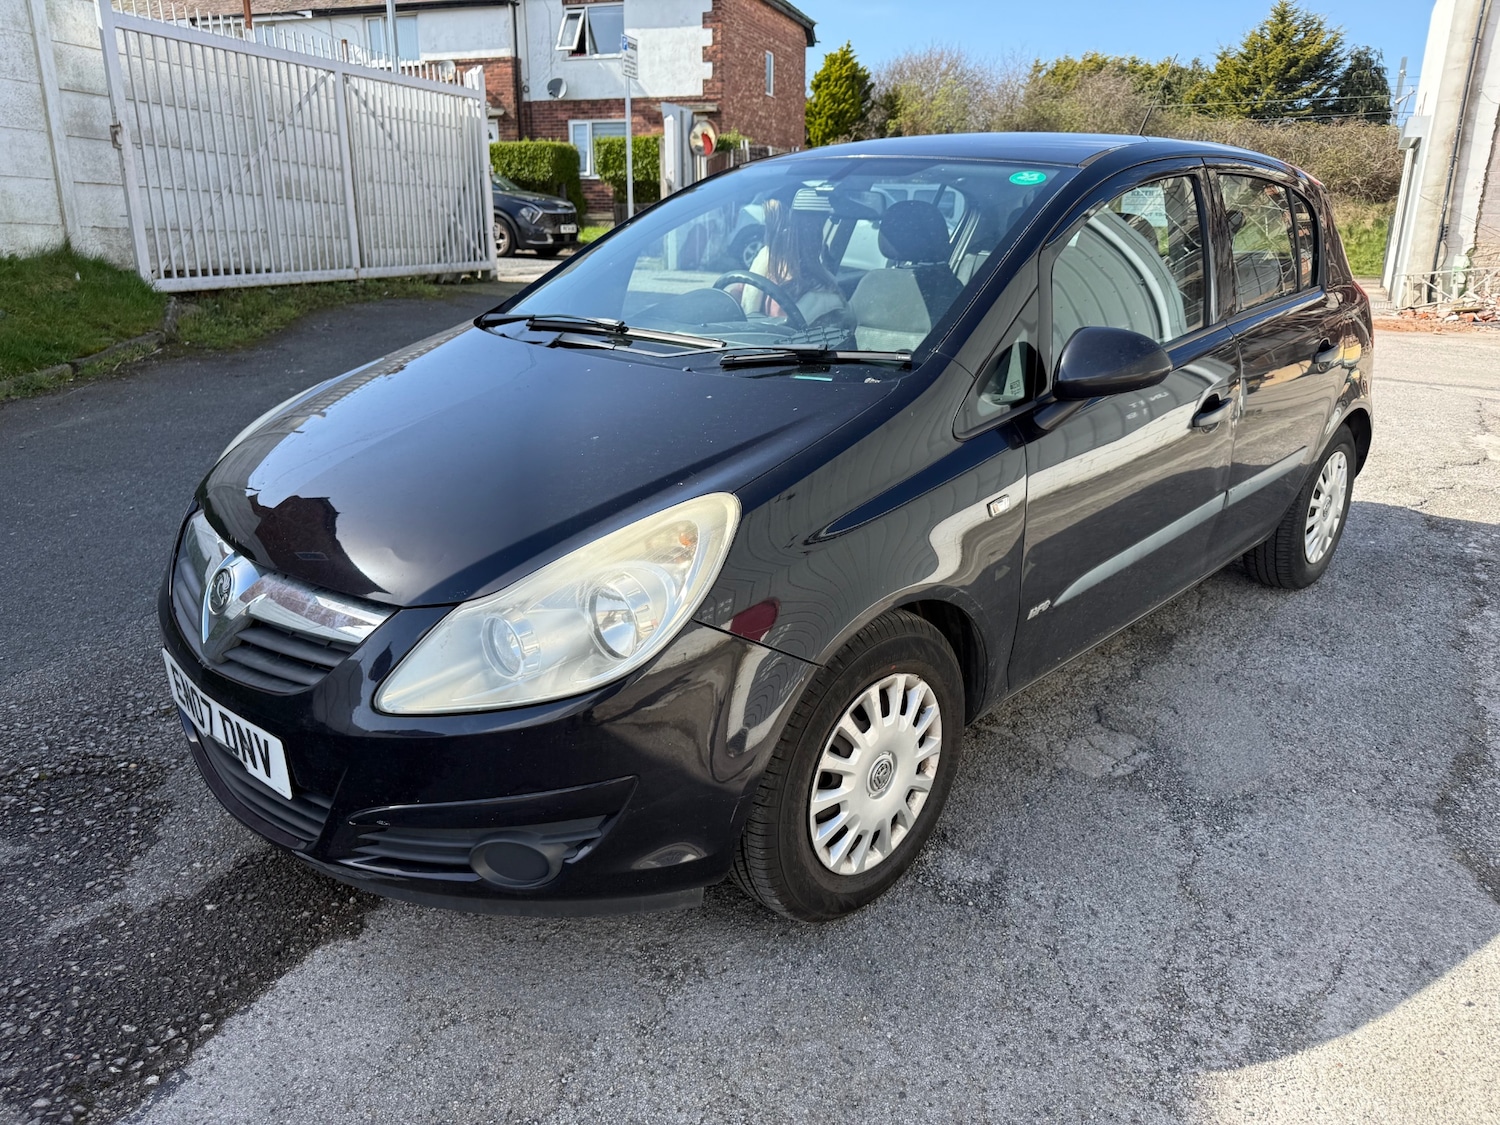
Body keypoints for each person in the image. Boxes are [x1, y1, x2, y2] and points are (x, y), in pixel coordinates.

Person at [740, 194, 848, 326]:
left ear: (784, 233)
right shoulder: (761, 271)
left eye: (770, 226)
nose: (767, 234)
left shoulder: (827, 302)